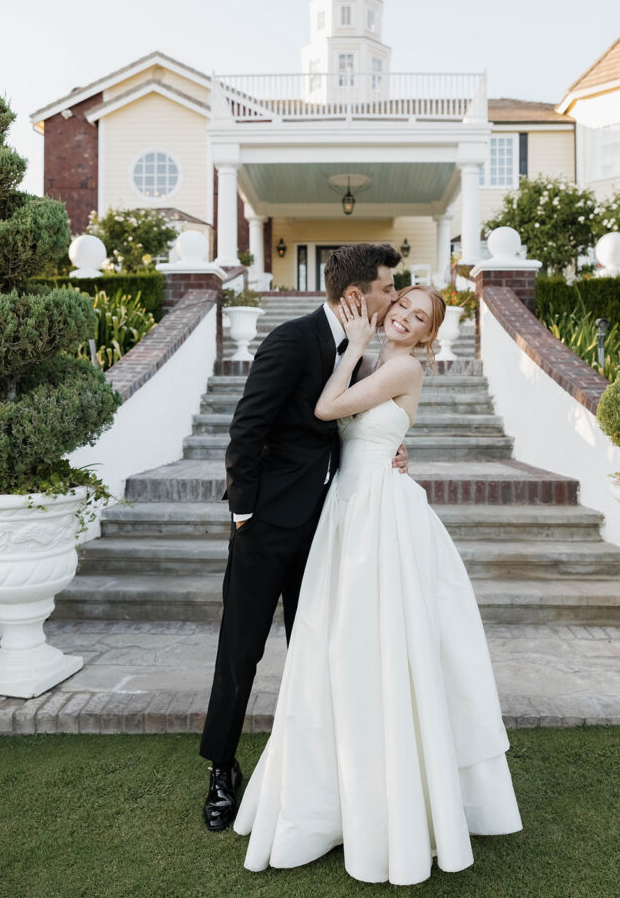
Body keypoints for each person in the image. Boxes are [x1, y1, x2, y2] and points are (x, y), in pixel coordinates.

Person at [233, 285, 523, 886]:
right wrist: (359, 359)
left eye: (420, 318)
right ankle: (341, 790)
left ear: (427, 336)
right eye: (403, 306)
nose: (405, 318)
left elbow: (327, 409)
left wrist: (355, 344)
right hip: (347, 508)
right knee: (343, 646)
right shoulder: (372, 363)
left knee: (384, 644)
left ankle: (400, 790)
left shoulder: (402, 366)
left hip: (380, 516)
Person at [200, 243, 407, 831]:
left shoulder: (362, 351)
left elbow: (355, 423)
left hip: (328, 524)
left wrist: (394, 449)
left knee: (315, 646)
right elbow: (247, 427)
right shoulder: (292, 340)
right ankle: (221, 768)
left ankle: (313, 768)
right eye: (388, 288)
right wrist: (244, 513)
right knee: (241, 649)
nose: (394, 297)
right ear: (355, 295)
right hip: (266, 525)